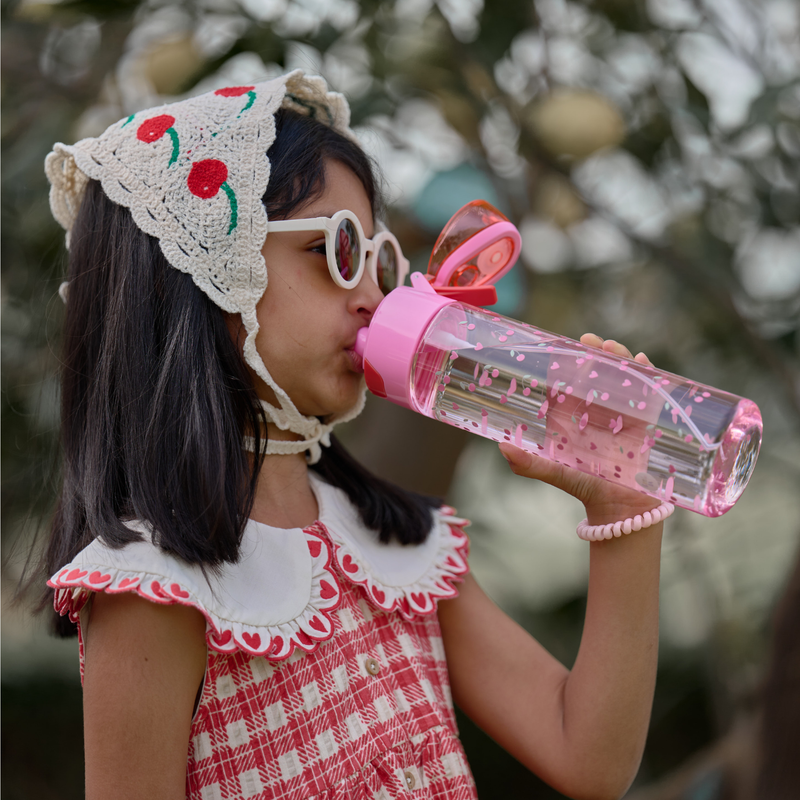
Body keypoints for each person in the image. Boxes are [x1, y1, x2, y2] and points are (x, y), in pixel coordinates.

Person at [40, 71, 668, 800]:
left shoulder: (400, 544)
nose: (372, 295)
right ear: (200, 272)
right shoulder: (158, 588)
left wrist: (624, 512)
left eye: (379, 259)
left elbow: (586, 756)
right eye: (334, 252)